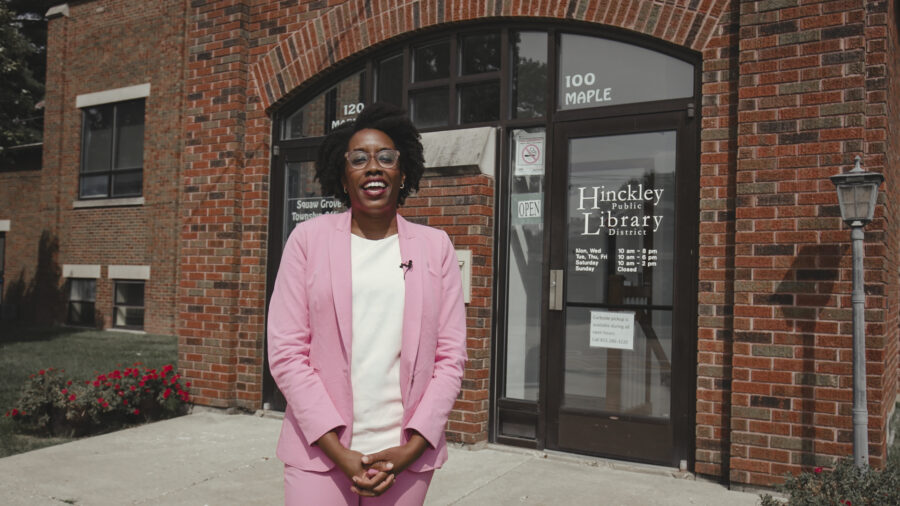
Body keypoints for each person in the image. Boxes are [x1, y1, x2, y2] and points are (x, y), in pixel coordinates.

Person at [267, 103, 468, 505]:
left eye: (386, 157)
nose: (372, 167)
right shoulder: (307, 241)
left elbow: (450, 358)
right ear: (343, 177)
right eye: (358, 159)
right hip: (320, 450)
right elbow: (287, 353)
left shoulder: (435, 247)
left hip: (404, 452)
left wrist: (413, 448)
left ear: (403, 171)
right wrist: (340, 453)